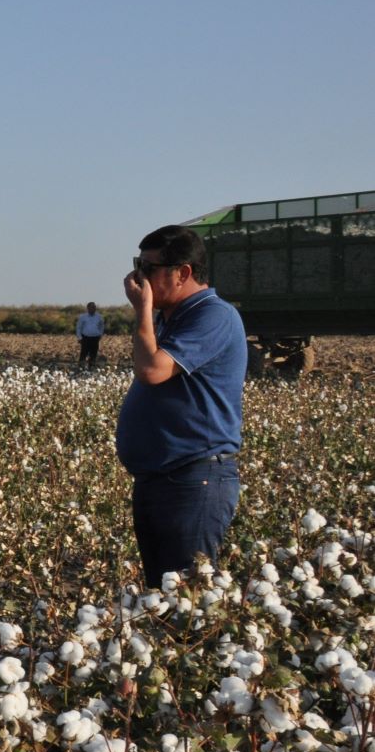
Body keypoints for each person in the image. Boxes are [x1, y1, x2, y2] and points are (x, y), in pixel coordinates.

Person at [115, 225, 246, 587]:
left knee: (187, 601)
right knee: (162, 596)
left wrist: (142, 311)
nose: (138, 278)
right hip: (161, 479)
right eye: (137, 266)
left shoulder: (214, 316)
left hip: (194, 479)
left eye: (149, 269)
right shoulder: (171, 318)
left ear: (183, 272)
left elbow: (151, 370)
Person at [76, 301, 106, 370]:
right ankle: (81, 367)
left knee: (94, 353)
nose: (93, 309)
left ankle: (91, 367)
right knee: (84, 352)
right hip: (85, 337)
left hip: (95, 338)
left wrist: (100, 334)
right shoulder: (83, 317)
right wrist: (79, 337)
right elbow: (78, 327)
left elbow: (102, 326)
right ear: (88, 308)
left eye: (94, 307)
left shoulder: (99, 317)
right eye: (91, 307)